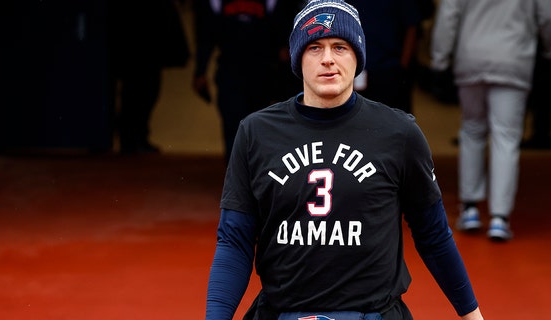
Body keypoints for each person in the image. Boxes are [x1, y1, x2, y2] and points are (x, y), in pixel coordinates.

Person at [205, 1, 485, 319]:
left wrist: (471, 314)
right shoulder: (256, 132)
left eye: (340, 46)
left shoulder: (398, 133)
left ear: (357, 56)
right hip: (284, 311)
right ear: (297, 57)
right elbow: (235, 239)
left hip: (374, 313)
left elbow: (433, 233)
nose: (328, 59)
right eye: (314, 47)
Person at [430, 0, 551, 241]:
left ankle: (470, 208)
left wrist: (440, 60)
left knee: (471, 130)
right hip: (514, 59)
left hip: (471, 59)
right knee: (506, 137)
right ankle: (500, 218)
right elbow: (549, 17)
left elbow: (449, 15)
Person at [191, 0, 302, 163]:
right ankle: (236, 177)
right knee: (233, 123)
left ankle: (258, 176)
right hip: (229, 70)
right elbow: (205, 37)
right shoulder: (215, 3)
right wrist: (200, 72)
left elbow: (284, 35)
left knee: (262, 125)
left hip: (265, 73)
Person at [108, 0, 189, 155]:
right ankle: (131, 137)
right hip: (135, 46)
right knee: (136, 93)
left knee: (145, 91)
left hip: (146, 46)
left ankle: (134, 136)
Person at [346, 0, 432, 114]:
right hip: (356, 68)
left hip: (389, 68)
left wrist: (403, 65)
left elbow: (412, 27)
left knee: (392, 117)